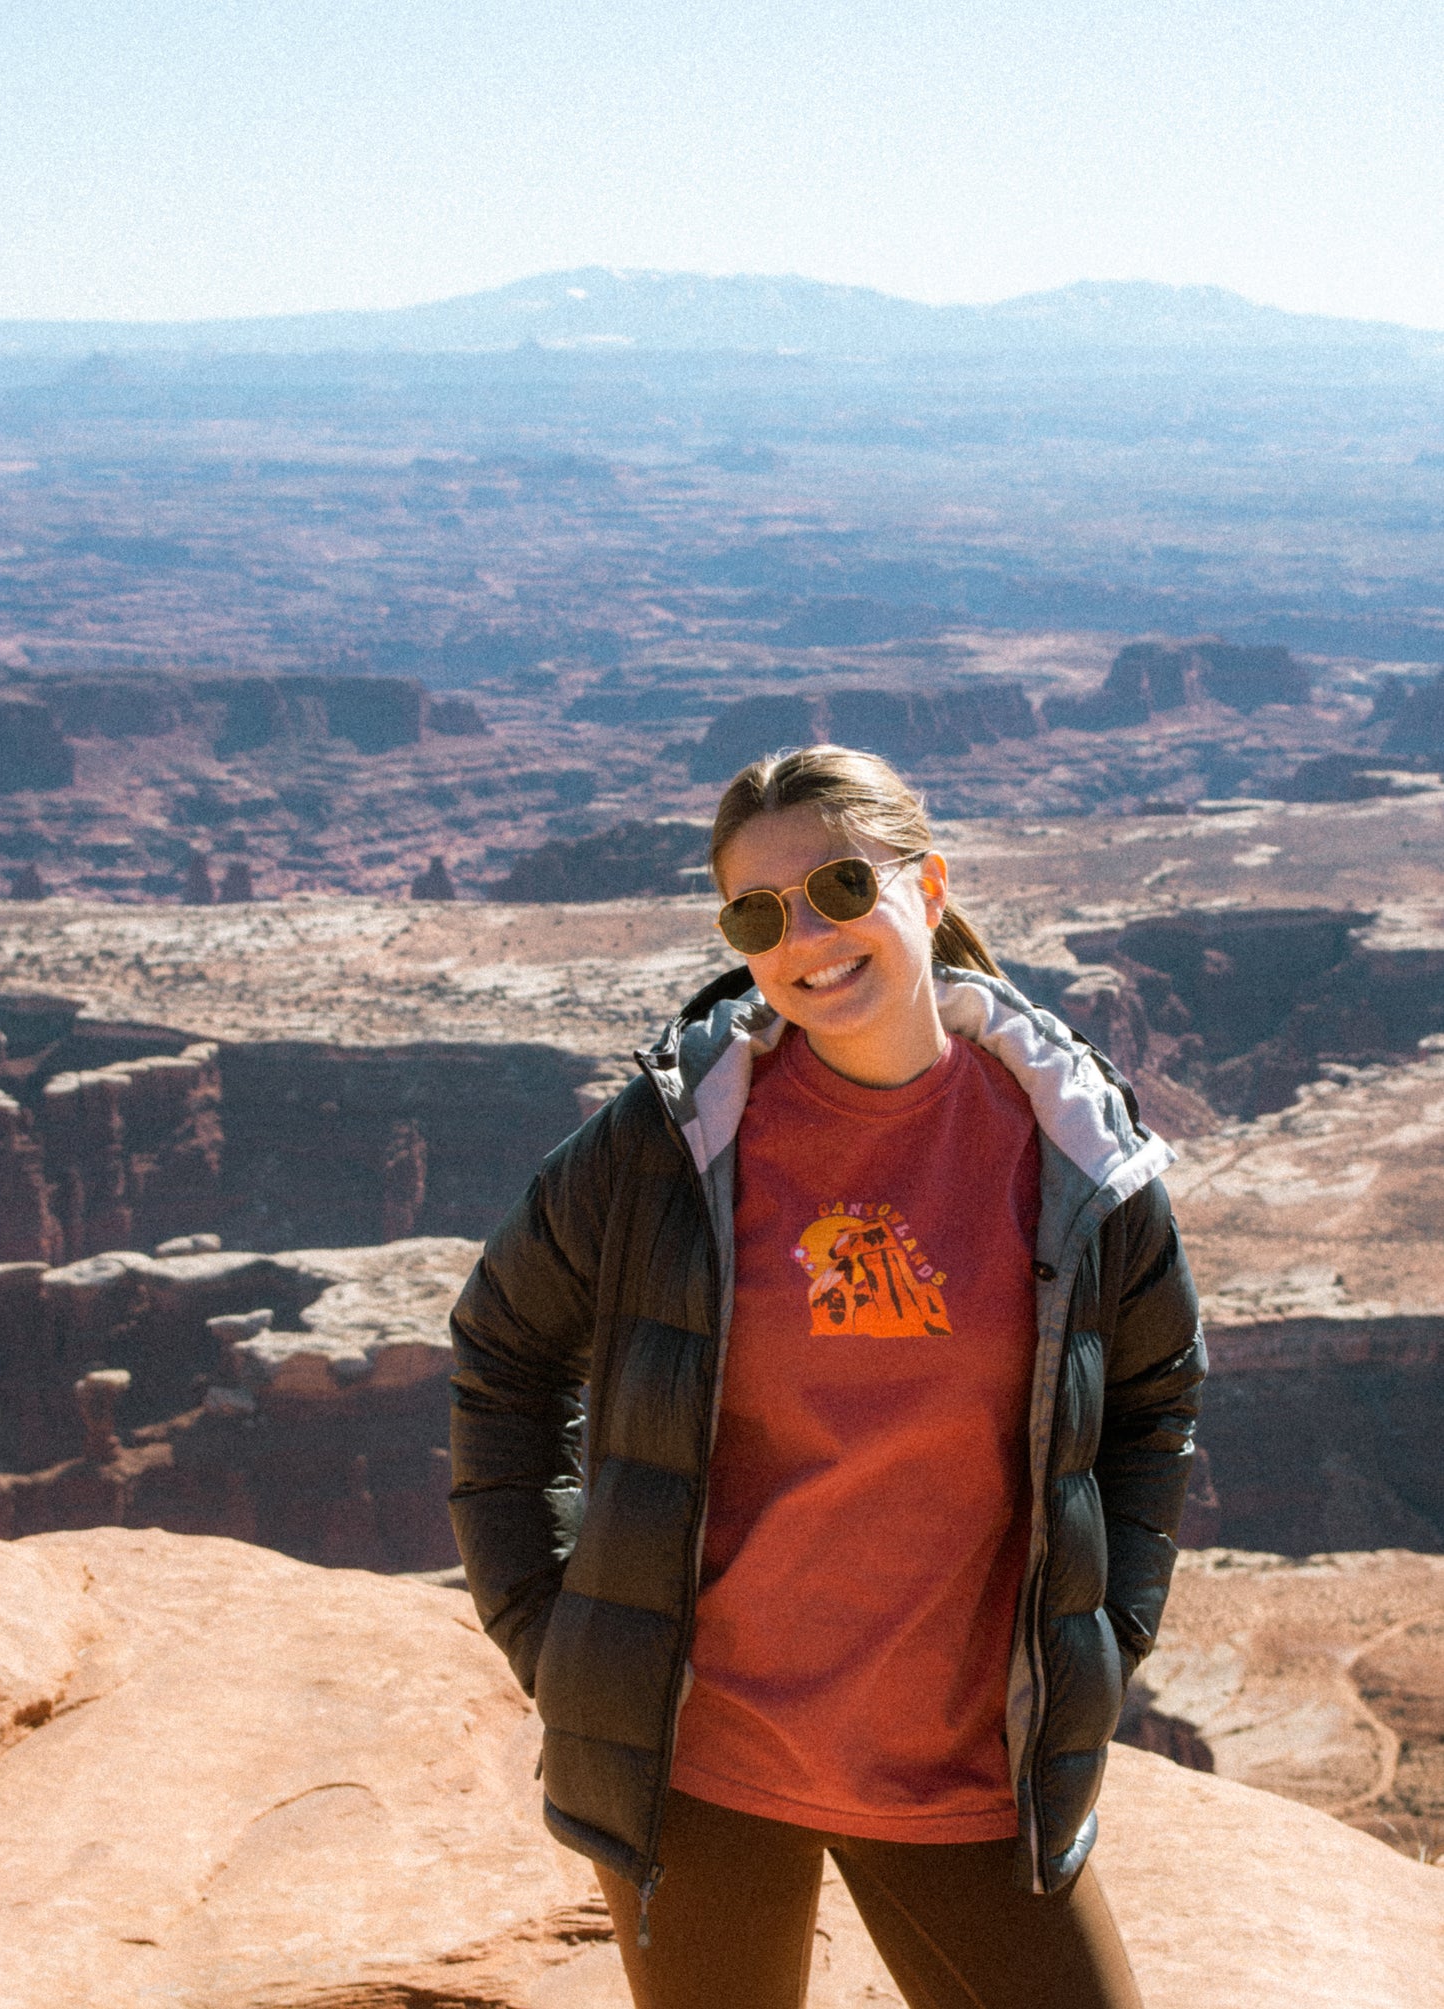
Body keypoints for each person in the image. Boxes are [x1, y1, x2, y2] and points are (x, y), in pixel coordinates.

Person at [449, 744, 1205, 2009]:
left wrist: (1109, 1631)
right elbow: (504, 1349)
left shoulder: (1073, 1140)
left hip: (962, 1764)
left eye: (841, 887)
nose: (806, 936)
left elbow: (1151, 1398)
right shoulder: (670, 1136)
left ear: (927, 880)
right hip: (700, 1758)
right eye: (759, 913)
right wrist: (555, 1625)